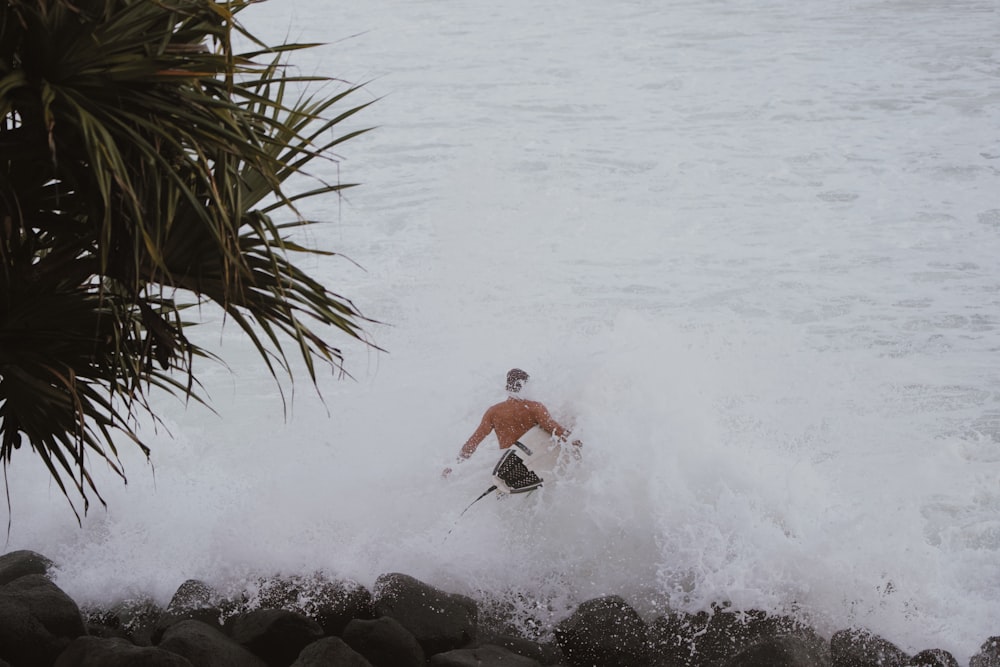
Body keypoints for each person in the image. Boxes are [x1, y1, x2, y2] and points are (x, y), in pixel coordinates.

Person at [442, 368, 581, 477]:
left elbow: (474, 441)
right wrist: (576, 442)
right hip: (532, 463)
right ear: (525, 385)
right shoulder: (534, 407)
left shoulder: (494, 411)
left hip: (505, 465)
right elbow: (556, 431)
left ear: (508, 386)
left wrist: (456, 465)